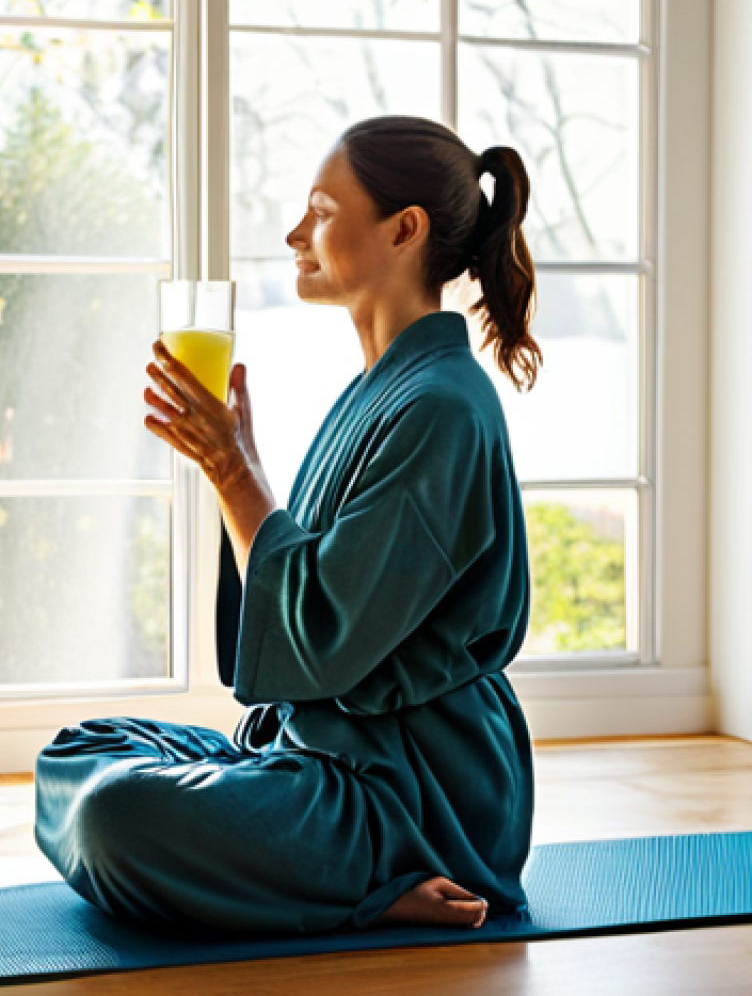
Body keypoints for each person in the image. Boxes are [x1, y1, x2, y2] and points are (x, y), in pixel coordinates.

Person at [34, 114, 541, 937]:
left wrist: (233, 473)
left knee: (113, 818)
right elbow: (313, 599)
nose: (295, 233)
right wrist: (239, 465)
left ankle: (385, 881)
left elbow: (325, 634)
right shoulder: (384, 388)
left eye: (322, 211)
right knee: (76, 752)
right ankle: (324, 862)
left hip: (409, 795)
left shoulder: (442, 406)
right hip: (314, 754)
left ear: (404, 230)